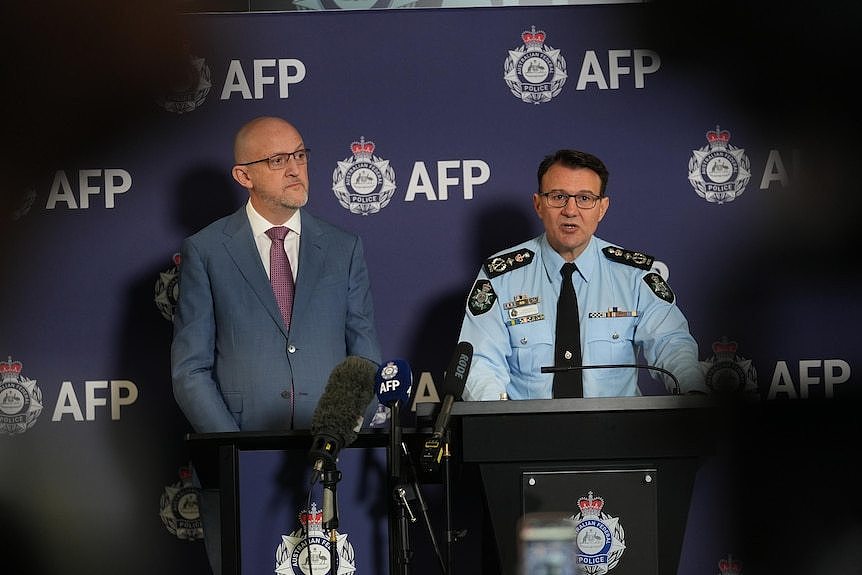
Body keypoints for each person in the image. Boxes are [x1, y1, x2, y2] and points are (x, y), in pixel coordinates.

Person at [170, 116, 382, 574]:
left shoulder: (344, 247)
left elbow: (364, 357)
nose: (295, 169)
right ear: (244, 176)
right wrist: (234, 450)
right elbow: (190, 369)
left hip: (332, 458)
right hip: (239, 466)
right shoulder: (206, 251)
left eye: (301, 155)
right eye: (277, 160)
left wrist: (342, 432)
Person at [458, 149, 707, 400]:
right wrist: (496, 422)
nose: (571, 210)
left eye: (585, 198)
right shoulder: (501, 276)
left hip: (618, 432)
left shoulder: (634, 275)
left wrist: (693, 389)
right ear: (538, 204)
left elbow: (671, 345)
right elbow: (481, 362)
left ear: (602, 208)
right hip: (529, 432)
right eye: (558, 197)